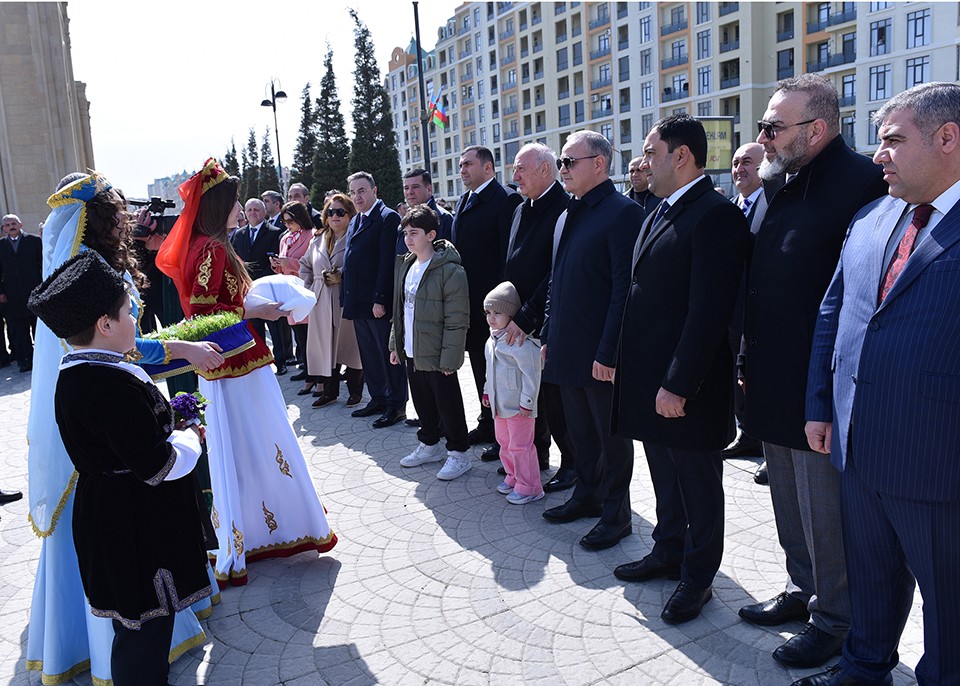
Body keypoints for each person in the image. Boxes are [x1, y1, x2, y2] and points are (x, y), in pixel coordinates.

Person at [26, 172, 223, 686]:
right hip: (134, 523)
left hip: (111, 516)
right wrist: (187, 436)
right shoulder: (108, 381)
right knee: (143, 630)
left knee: (133, 625)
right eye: (127, 314)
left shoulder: (78, 374)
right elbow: (155, 462)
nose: (135, 320)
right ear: (106, 324)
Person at [799, 82, 960, 686]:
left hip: (939, 459)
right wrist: (820, 405)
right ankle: (863, 669)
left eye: (893, 139)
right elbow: (833, 314)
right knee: (870, 577)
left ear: (948, 138)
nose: (878, 155)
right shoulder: (871, 217)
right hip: (857, 446)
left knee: (949, 601)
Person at [738, 74, 888, 670]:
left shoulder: (863, 183)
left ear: (817, 128)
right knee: (787, 501)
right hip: (772, 375)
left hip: (821, 384)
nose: (763, 138)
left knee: (824, 510)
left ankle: (835, 619)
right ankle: (801, 588)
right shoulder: (781, 181)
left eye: (773, 127)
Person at [156, 158, 338, 588]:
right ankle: (276, 528)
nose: (241, 208)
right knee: (260, 440)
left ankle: (255, 531)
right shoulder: (213, 247)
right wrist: (258, 310)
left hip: (229, 361)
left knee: (245, 445)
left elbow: (213, 304)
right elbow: (206, 311)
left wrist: (255, 305)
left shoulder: (208, 244)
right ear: (220, 206)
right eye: (236, 201)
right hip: (236, 361)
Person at [611, 114, 750, 624]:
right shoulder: (660, 209)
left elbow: (708, 313)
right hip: (651, 380)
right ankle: (668, 548)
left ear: (682, 156)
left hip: (687, 387)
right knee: (665, 477)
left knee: (698, 485)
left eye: (652, 152)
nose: (644, 162)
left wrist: (678, 383)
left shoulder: (715, 215)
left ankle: (698, 576)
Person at [540, 130, 643, 551]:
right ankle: (587, 495)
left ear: (599, 164)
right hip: (566, 347)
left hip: (600, 354)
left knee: (611, 439)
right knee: (581, 434)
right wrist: (548, 334)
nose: (562, 169)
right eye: (560, 162)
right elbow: (556, 280)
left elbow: (624, 290)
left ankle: (617, 516)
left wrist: (609, 352)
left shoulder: (623, 213)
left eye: (569, 162)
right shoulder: (570, 212)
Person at [492, 143, 576, 494]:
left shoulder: (565, 208)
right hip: (515, 322)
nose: (514, 176)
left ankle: (572, 464)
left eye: (520, 169)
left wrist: (527, 316)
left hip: (544, 321)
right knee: (526, 395)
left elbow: (555, 272)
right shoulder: (519, 208)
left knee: (555, 400)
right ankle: (534, 456)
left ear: (545, 169)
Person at [389, 205, 471, 480]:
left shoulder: (450, 270)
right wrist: (395, 345)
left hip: (438, 352)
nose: (408, 239)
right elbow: (399, 310)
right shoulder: (406, 265)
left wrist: (451, 358)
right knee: (422, 400)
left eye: (414, 233)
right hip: (412, 349)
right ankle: (430, 444)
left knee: (448, 403)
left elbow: (457, 319)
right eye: (405, 233)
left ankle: (459, 453)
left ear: (431, 235)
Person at [451, 146, 523, 445]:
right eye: (460, 165)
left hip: (496, 307)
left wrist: (504, 307)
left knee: (501, 372)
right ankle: (487, 422)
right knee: (481, 368)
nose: (462, 170)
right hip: (470, 304)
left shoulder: (506, 199)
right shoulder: (464, 200)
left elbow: (509, 255)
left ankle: (504, 433)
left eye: (468, 164)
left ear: (488, 168)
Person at [342, 171, 408, 428]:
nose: (357, 197)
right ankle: (378, 398)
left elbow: (386, 261)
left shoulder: (387, 217)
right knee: (369, 355)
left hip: (376, 302)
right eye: (353, 192)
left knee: (387, 355)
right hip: (358, 301)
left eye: (362, 191)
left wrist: (380, 298)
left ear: (374, 190)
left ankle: (396, 404)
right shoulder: (356, 220)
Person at [721, 142, 768, 464]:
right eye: (736, 162)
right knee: (735, 381)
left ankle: (766, 447)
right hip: (730, 313)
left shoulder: (773, 205)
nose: (740, 169)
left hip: (758, 313)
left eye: (748, 162)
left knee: (758, 380)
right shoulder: (730, 208)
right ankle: (747, 436)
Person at [482, 281, 544, 504]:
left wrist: (528, 401)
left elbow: (532, 375)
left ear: (511, 314)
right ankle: (513, 476)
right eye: (488, 313)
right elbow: (489, 371)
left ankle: (530, 486)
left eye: (497, 313)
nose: (491, 318)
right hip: (500, 405)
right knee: (504, 442)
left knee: (521, 446)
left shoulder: (521, 343)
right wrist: (487, 392)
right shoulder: (491, 341)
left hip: (519, 407)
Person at [299, 193, 363, 407]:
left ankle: (355, 391)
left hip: (345, 298)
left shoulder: (355, 237)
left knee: (350, 346)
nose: (335, 216)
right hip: (321, 300)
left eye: (340, 212)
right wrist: (310, 288)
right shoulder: (317, 239)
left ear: (350, 214)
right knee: (325, 346)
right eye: (331, 212)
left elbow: (361, 265)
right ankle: (329, 391)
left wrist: (342, 275)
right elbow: (305, 265)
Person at [230, 198, 287, 373]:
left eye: (256, 210)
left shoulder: (275, 232)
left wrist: (260, 281)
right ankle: (262, 363)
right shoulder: (239, 234)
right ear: (245, 213)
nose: (253, 213)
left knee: (275, 327)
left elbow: (274, 259)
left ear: (264, 212)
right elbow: (235, 259)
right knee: (255, 327)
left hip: (267, 286)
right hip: (247, 288)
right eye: (249, 210)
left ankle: (281, 361)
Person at [271, 201, 313, 374]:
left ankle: (313, 373)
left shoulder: (311, 236)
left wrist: (290, 263)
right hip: (289, 292)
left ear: (300, 218)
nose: (287, 225)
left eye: (290, 221)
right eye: (284, 222)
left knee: (309, 335)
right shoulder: (285, 238)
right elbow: (283, 265)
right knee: (299, 335)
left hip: (304, 290)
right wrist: (277, 264)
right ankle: (307, 370)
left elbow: (312, 264)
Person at [0, 213, 43, 372]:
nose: (11, 227)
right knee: (20, 331)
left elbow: (42, 265)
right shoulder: (1, 245)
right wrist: (1, 292)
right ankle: (26, 360)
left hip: (34, 292)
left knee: (38, 328)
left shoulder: (34, 241)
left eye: (13, 223)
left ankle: (41, 360)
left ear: (20, 225)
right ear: (4, 229)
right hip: (13, 295)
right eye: (7, 225)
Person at [402, 168, 453, 245]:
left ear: (429, 189)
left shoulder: (443, 218)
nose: (409, 192)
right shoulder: (405, 217)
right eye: (406, 188)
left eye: (415, 187)